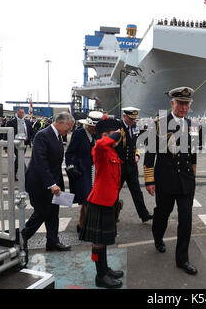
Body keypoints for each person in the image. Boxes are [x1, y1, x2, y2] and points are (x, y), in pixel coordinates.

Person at [143, 86, 198, 275]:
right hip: (165, 181)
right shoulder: (158, 124)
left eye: (187, 104)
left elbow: (193, 154)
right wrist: (149, 181)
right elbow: (150, 156)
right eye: (180, 103)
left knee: (186, 220)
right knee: (162, 215)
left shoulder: (191, 124)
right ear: (172, 103)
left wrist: (193, 175)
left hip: (186, 181)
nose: (183, 107)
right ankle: (158, 237)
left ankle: (182, 259)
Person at [21, 112, 75, 267]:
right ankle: (22, 237)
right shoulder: (42, 135)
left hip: (53, 182)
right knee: (42, 212)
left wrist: (58, 182)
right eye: (68, 128)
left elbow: (55, 163)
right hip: (39, 183)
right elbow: (40, 162)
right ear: (61, 123)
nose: (68, 132)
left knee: (53, 213)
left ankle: (52, 241)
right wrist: (51, 184)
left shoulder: (58, 136)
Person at [79, 118, 124, 289]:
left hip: (109, 201)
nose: (115, 138)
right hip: (99, 202)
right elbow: (99, 145)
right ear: (104, 136)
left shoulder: (112, 152)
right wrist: (115, 135)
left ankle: (105, 270)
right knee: (98, 242)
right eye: (109, 135)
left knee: (103, 240)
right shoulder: (100, 149)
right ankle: (100, 276)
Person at [65, 111, 103, 233]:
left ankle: (82, 223)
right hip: (83, 171)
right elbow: (70, 152)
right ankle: (89, 225)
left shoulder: (99, 136)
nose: (95, 129)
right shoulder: (78, 134)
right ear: (88, 125)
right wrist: (71, 166)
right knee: (88, 198)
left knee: (92, 198)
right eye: (94, 127)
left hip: (97, 171)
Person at [115, 107, 153, 223]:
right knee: (114, 193)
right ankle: (113, 215)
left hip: (131, 167)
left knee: (137, 192)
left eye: (134, 119)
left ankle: (144, 214)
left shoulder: (134, 127)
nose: (133, 121)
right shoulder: (117, 128)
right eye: (131, 119)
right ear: (124, 116)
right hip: (119, 167)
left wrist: (137, 155)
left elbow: (135, 145)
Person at [4, 108, 34, 181]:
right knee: (19, 158)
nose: (22, 114)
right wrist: (5, 146)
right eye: (20, 112)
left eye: (23, 112)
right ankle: (27, 173)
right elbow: (6, 134)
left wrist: (31, 140)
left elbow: (31, 132)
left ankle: (14, 175)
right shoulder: (11, 122)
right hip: (15, 143)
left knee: (19, 159)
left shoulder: (27, 122)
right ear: (17, 112)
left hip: (24, 143)